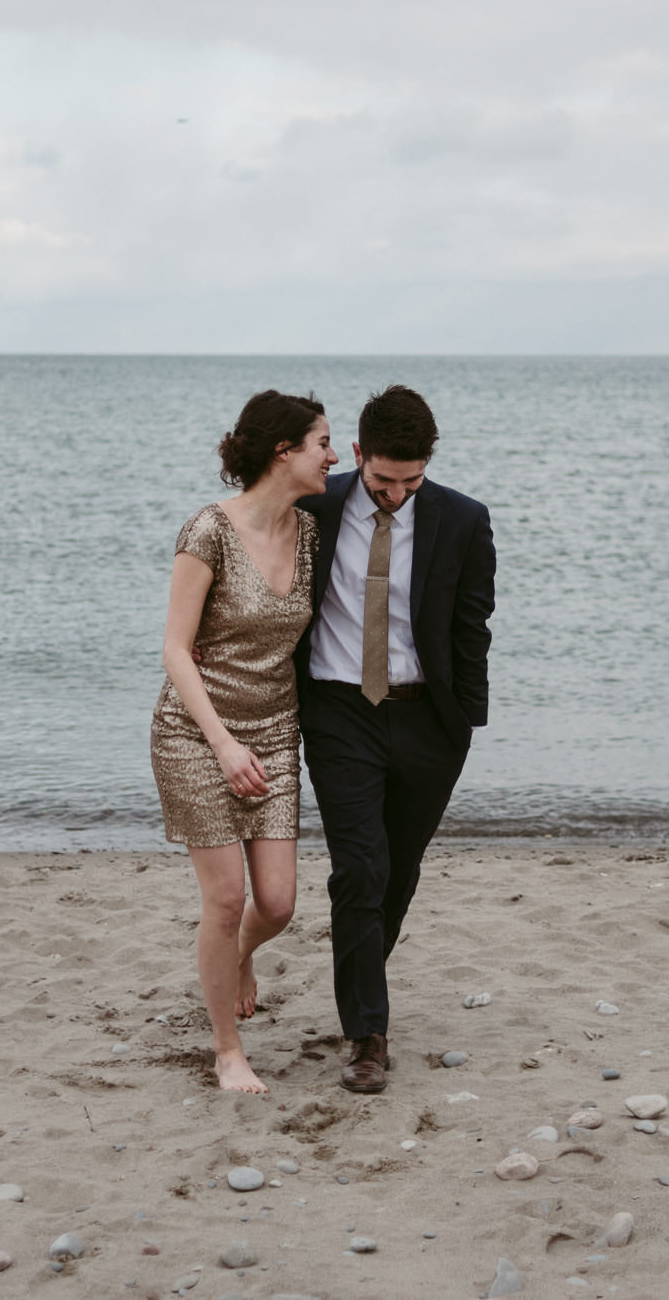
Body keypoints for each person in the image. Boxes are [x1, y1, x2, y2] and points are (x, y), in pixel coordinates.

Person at [296, 385, 495, 1093]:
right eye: (383, 480)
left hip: (427, 722)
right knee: (360, 868)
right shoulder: (313, 508)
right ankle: (368, 1034)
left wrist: (465, 721)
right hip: (337, 711)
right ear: (357, 455)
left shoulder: (464, 520)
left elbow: (473, 627)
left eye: (411, 482)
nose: (396, 496)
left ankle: (361, 982)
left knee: (399, 871)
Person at [151, 391, 337, 1094]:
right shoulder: (207, 531)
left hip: (275, 731)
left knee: (281, 903)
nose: (332, 454)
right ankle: (228, 1051)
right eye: (322, 440)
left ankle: (235, 957)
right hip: (198, 734)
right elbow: (175, 649)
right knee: (226, 898)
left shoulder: (312, 532)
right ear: (282, 450)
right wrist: (224, 744)